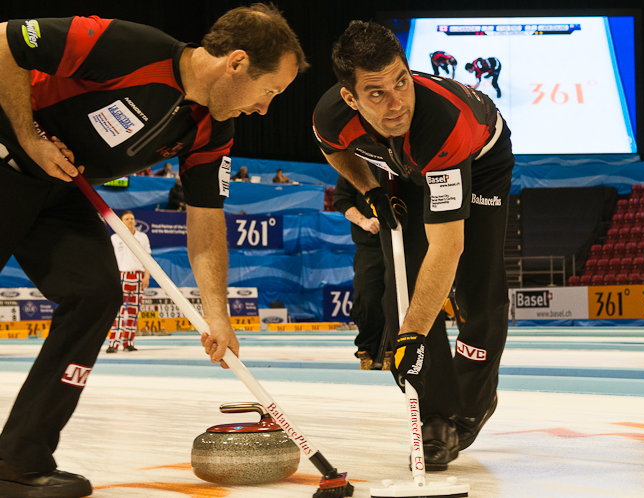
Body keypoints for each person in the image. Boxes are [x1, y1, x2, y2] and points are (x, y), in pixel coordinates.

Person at [0, 5, 307, 497]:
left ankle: (18, 462)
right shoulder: (129, 47)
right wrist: (28, 135)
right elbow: (6, 41)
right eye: (269, 91)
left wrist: (218, 316)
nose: (265, 109)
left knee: (96, 295)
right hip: (8, 155)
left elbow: (205, 221)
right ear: (237, 63)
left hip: (58, 189)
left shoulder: (212, 128)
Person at [313, 21, 513, 471]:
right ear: (351, 99)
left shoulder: (443, 124)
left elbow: (448, 248)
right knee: (398, 288)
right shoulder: (331, 116)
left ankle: (475, 401)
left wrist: (412, 335)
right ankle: (437, 417)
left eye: (401, 82)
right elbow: (331, 148)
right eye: (377, 93)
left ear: (408, 69)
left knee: (477, 284)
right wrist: (370, 190)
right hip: (402, 167)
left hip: (476, 161)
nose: (397, 102)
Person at [333, 173, 390, 371]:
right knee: (367, 298)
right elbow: (340, 199)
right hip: (370, 245)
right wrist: (364, 221)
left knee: (399, 299)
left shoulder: (404, 155)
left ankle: (396, 349)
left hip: (403, 244)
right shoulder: (355, 160)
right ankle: (366, 349)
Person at [107, 210, 151, 353]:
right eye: (127, 219)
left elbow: (147, 258)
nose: (131, 221)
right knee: (118, 311)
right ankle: (113, 343)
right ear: (121, 222)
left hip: (138, 276)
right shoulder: (115, 238)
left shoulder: (142, 237)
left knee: (133, 311)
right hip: (121, 275)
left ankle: (128, 343)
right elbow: (110, 261)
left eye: (132, 218)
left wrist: (147, 275)